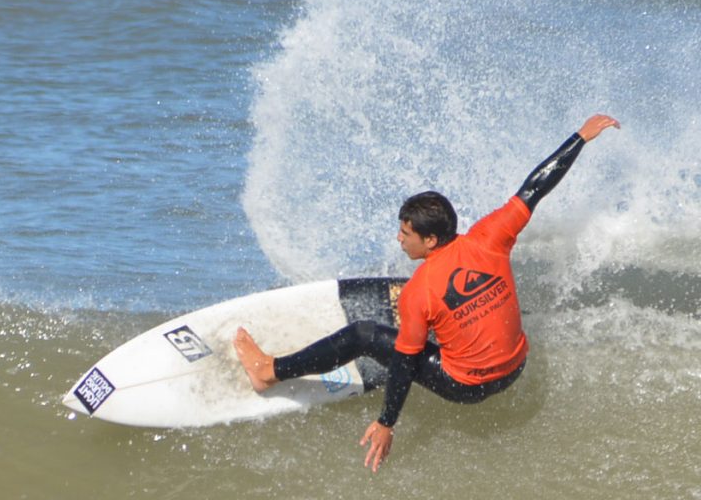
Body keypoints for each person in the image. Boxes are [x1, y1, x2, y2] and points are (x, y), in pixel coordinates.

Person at [234, 114, 620, 470]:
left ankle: (269, 372)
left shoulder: (419, 290)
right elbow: (535, 187)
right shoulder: (492, 235)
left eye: (406, 234)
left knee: (365, 335)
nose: (400, 240)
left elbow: (404, 365)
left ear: (430, 239)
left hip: (466, 387)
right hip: (515, 368)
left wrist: (387, 422)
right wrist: (580, 138)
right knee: (441, 317)